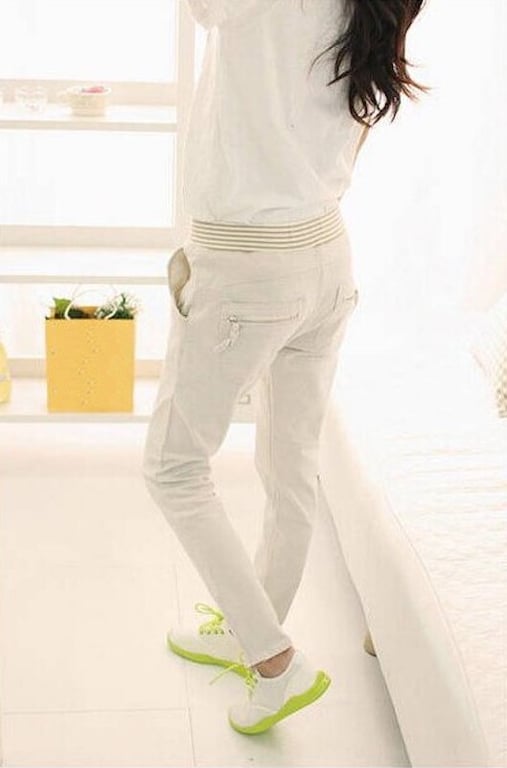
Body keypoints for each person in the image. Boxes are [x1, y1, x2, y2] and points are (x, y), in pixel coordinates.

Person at [142, 0, 428, 735]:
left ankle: (273, 660)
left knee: (174, 467)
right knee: (290, 466)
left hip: (248, 262)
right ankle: (253, 630)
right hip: (326, 254)